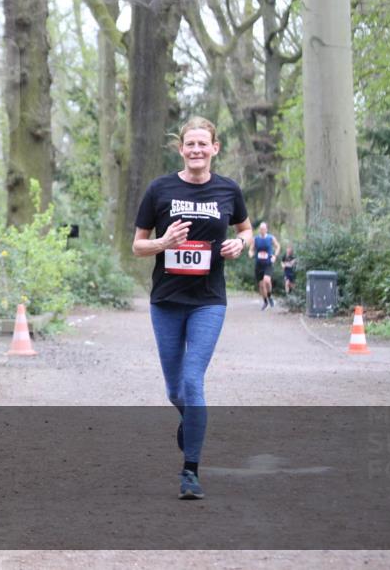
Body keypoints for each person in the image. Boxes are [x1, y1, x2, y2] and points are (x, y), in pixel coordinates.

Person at [132, 116, 252, 500]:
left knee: (192, 380)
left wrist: (241, 244)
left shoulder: (228, 190)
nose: (197, 150)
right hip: (166, 301)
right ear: (181, 149)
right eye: (190, 144)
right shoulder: (160, 189)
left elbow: (245, 229)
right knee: (173, 389)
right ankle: (191, 421)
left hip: (208, 301)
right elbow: (137, 246)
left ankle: (191, 471)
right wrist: (164, 242)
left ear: (215, 148)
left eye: (204, 144)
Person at [249, 222, 281, 309]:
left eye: (263, 228)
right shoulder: (255, 239)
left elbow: (278, 246)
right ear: (259, 230)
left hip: (268, 264)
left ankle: (270, 296)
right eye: (260, 228)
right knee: (261, 285)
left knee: (267, 281)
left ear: (266, 229)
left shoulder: (271, 238)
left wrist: (275, 256)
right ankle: (265, 302)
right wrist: (250, 254)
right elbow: (251, 249)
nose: (262, 230)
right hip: (259, 265)